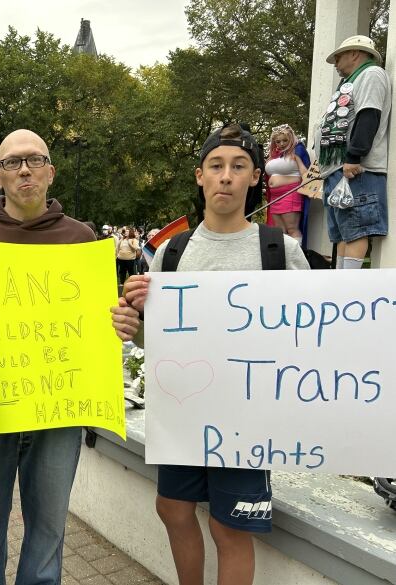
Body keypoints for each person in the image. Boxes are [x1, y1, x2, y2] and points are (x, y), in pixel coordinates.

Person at [124, 124, 308, 585]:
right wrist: (134, 320)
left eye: (238, 166)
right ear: (200, 176)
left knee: (230, 526)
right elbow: (153, 345)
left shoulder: (279, 251)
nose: (226, 176)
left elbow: (309, 339)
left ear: (253, 179)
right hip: (185, 408)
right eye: (216, 166)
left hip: (248, 417)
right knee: (172, 508)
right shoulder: (172, 252)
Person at [0, 129, 139, 585]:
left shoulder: (81, 238)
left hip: (58, 413)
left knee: (50, 530)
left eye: (34, 160)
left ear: (50, 173)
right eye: (12, 163)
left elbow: (99, 320)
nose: (24, 170)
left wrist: (121, 325)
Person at [319, 35, 391, 269]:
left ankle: (349, 288)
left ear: (354, 53)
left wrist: (353, 156)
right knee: (342, 234)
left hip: (355, 170)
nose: (336, 63)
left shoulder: (371, 74)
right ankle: (340, 282)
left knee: (356, 231)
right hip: (337, 170)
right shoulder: (350, 82)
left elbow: (368, 114)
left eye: (338, 57)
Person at [264, 125, 310, 241]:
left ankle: (295, 258)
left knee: (292, 229)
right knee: (280, 231)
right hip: (275, 197)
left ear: (291, 138)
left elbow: (304, 171)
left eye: (285, 140)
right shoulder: (277, 155)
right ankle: (284, 257)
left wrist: (310, 187)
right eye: (278, 141)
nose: (281, 144)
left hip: (290, 193)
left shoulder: (297, 151)